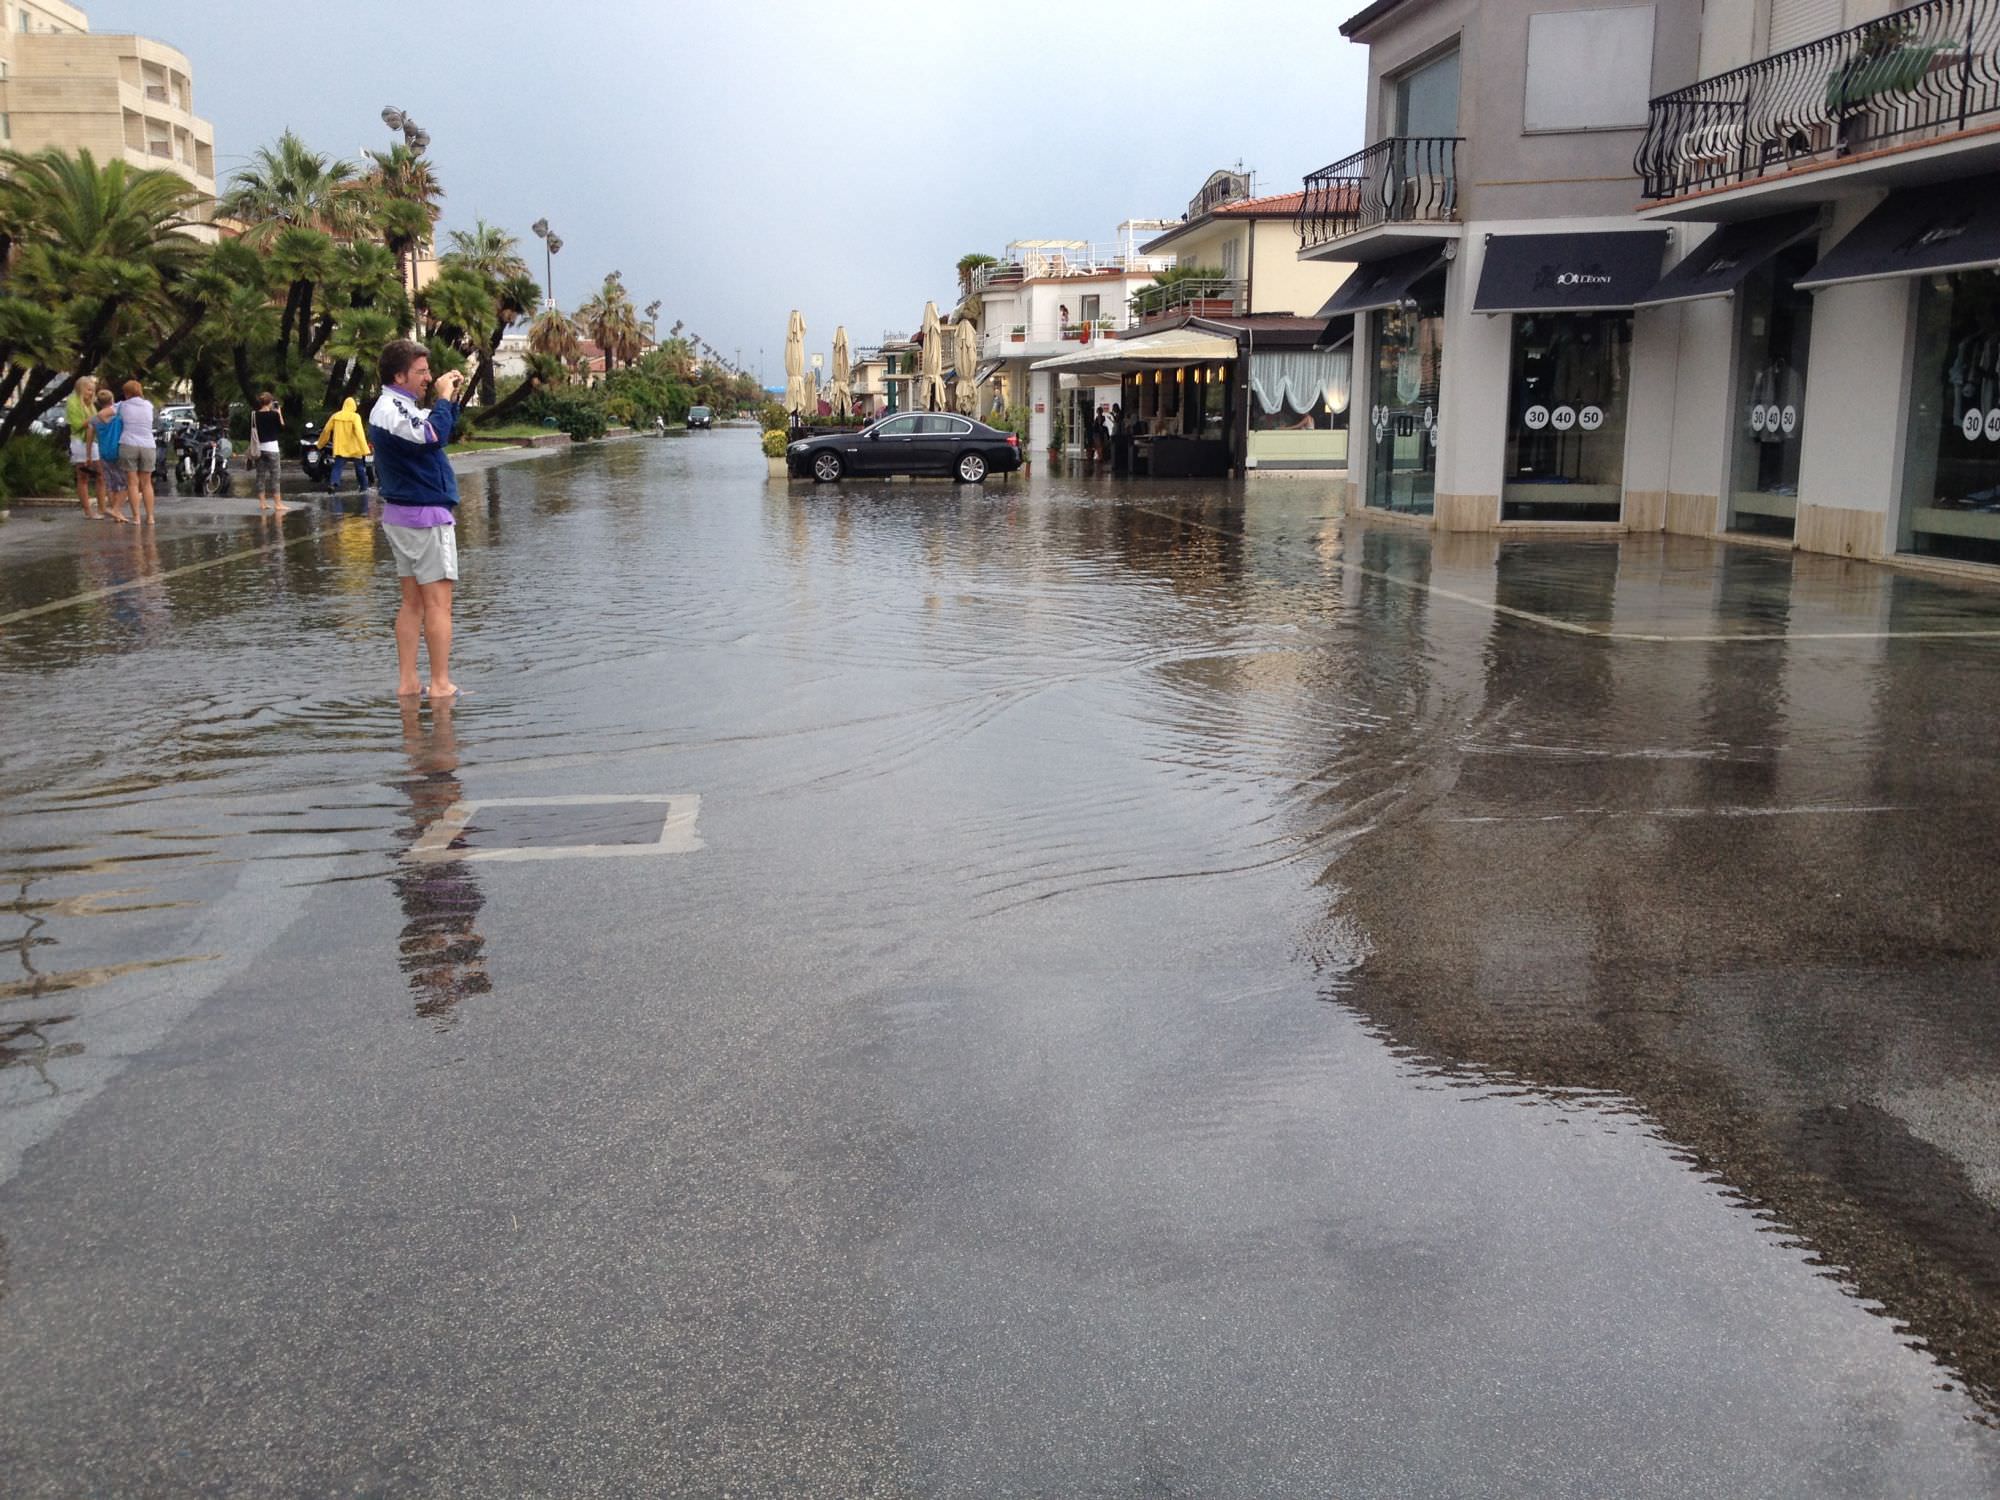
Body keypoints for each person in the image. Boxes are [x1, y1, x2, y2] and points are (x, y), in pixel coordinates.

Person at [369, 340, 467, 700]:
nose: (428, 377)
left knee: (412, 602)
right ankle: (441, 684)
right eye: (421, 372)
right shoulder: (391, 409)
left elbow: (434, 429)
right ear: (399, 375)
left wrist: (449, 400)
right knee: (438, 603)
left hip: (402, 516)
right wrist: (442, 400)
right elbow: (431, 435)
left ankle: (409, 681)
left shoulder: (394, 408)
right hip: (424, 517)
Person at [116, 379, 158, 524]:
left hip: (129, 444)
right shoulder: (149, 405)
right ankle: (151, 517)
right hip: (148, 445)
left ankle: (136, 517)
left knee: (132, 483)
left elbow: (104, 414)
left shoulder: (122, 406)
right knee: (147, 483)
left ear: (127, 393)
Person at [316, 395, 373, 492]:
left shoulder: (335, 416)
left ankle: (333, 484)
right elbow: (359, 433)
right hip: (355, 448)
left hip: (340, 447)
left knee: (337, 467)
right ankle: (364, 487)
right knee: (359, 467)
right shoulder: (355, 417)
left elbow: (326, 430)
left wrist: (320, 444)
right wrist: (365, 449)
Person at [66, 376, 100, 518]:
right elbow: (77, 425)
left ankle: (102, 508)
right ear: (81, 388)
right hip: (80, 442)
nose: (91, 393)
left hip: (93, 442)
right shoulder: (72, 402)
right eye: (88, 389)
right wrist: (94, 420)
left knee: (100, 474)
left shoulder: (90, 404)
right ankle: (88, 510)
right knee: (83, 476)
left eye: (93, 390)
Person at [93, 388, 128, 522]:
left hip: (103, 452)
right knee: (124, 484)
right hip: (117, 451)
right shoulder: (118, 417)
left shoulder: (95, 419)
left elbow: (92, 435)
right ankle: (116, 510)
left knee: (111, 483)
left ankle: (116, 513)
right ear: (112, 400)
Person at [251, 392, 286, 512]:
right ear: (270, 402)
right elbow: (282, 428)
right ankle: (278, 504)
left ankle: (262, 503)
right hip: (272, 448)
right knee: (275, 476)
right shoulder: (274, 414)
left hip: (259, 449)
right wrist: (279, 413)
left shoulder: (254, 415)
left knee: (260, 475)